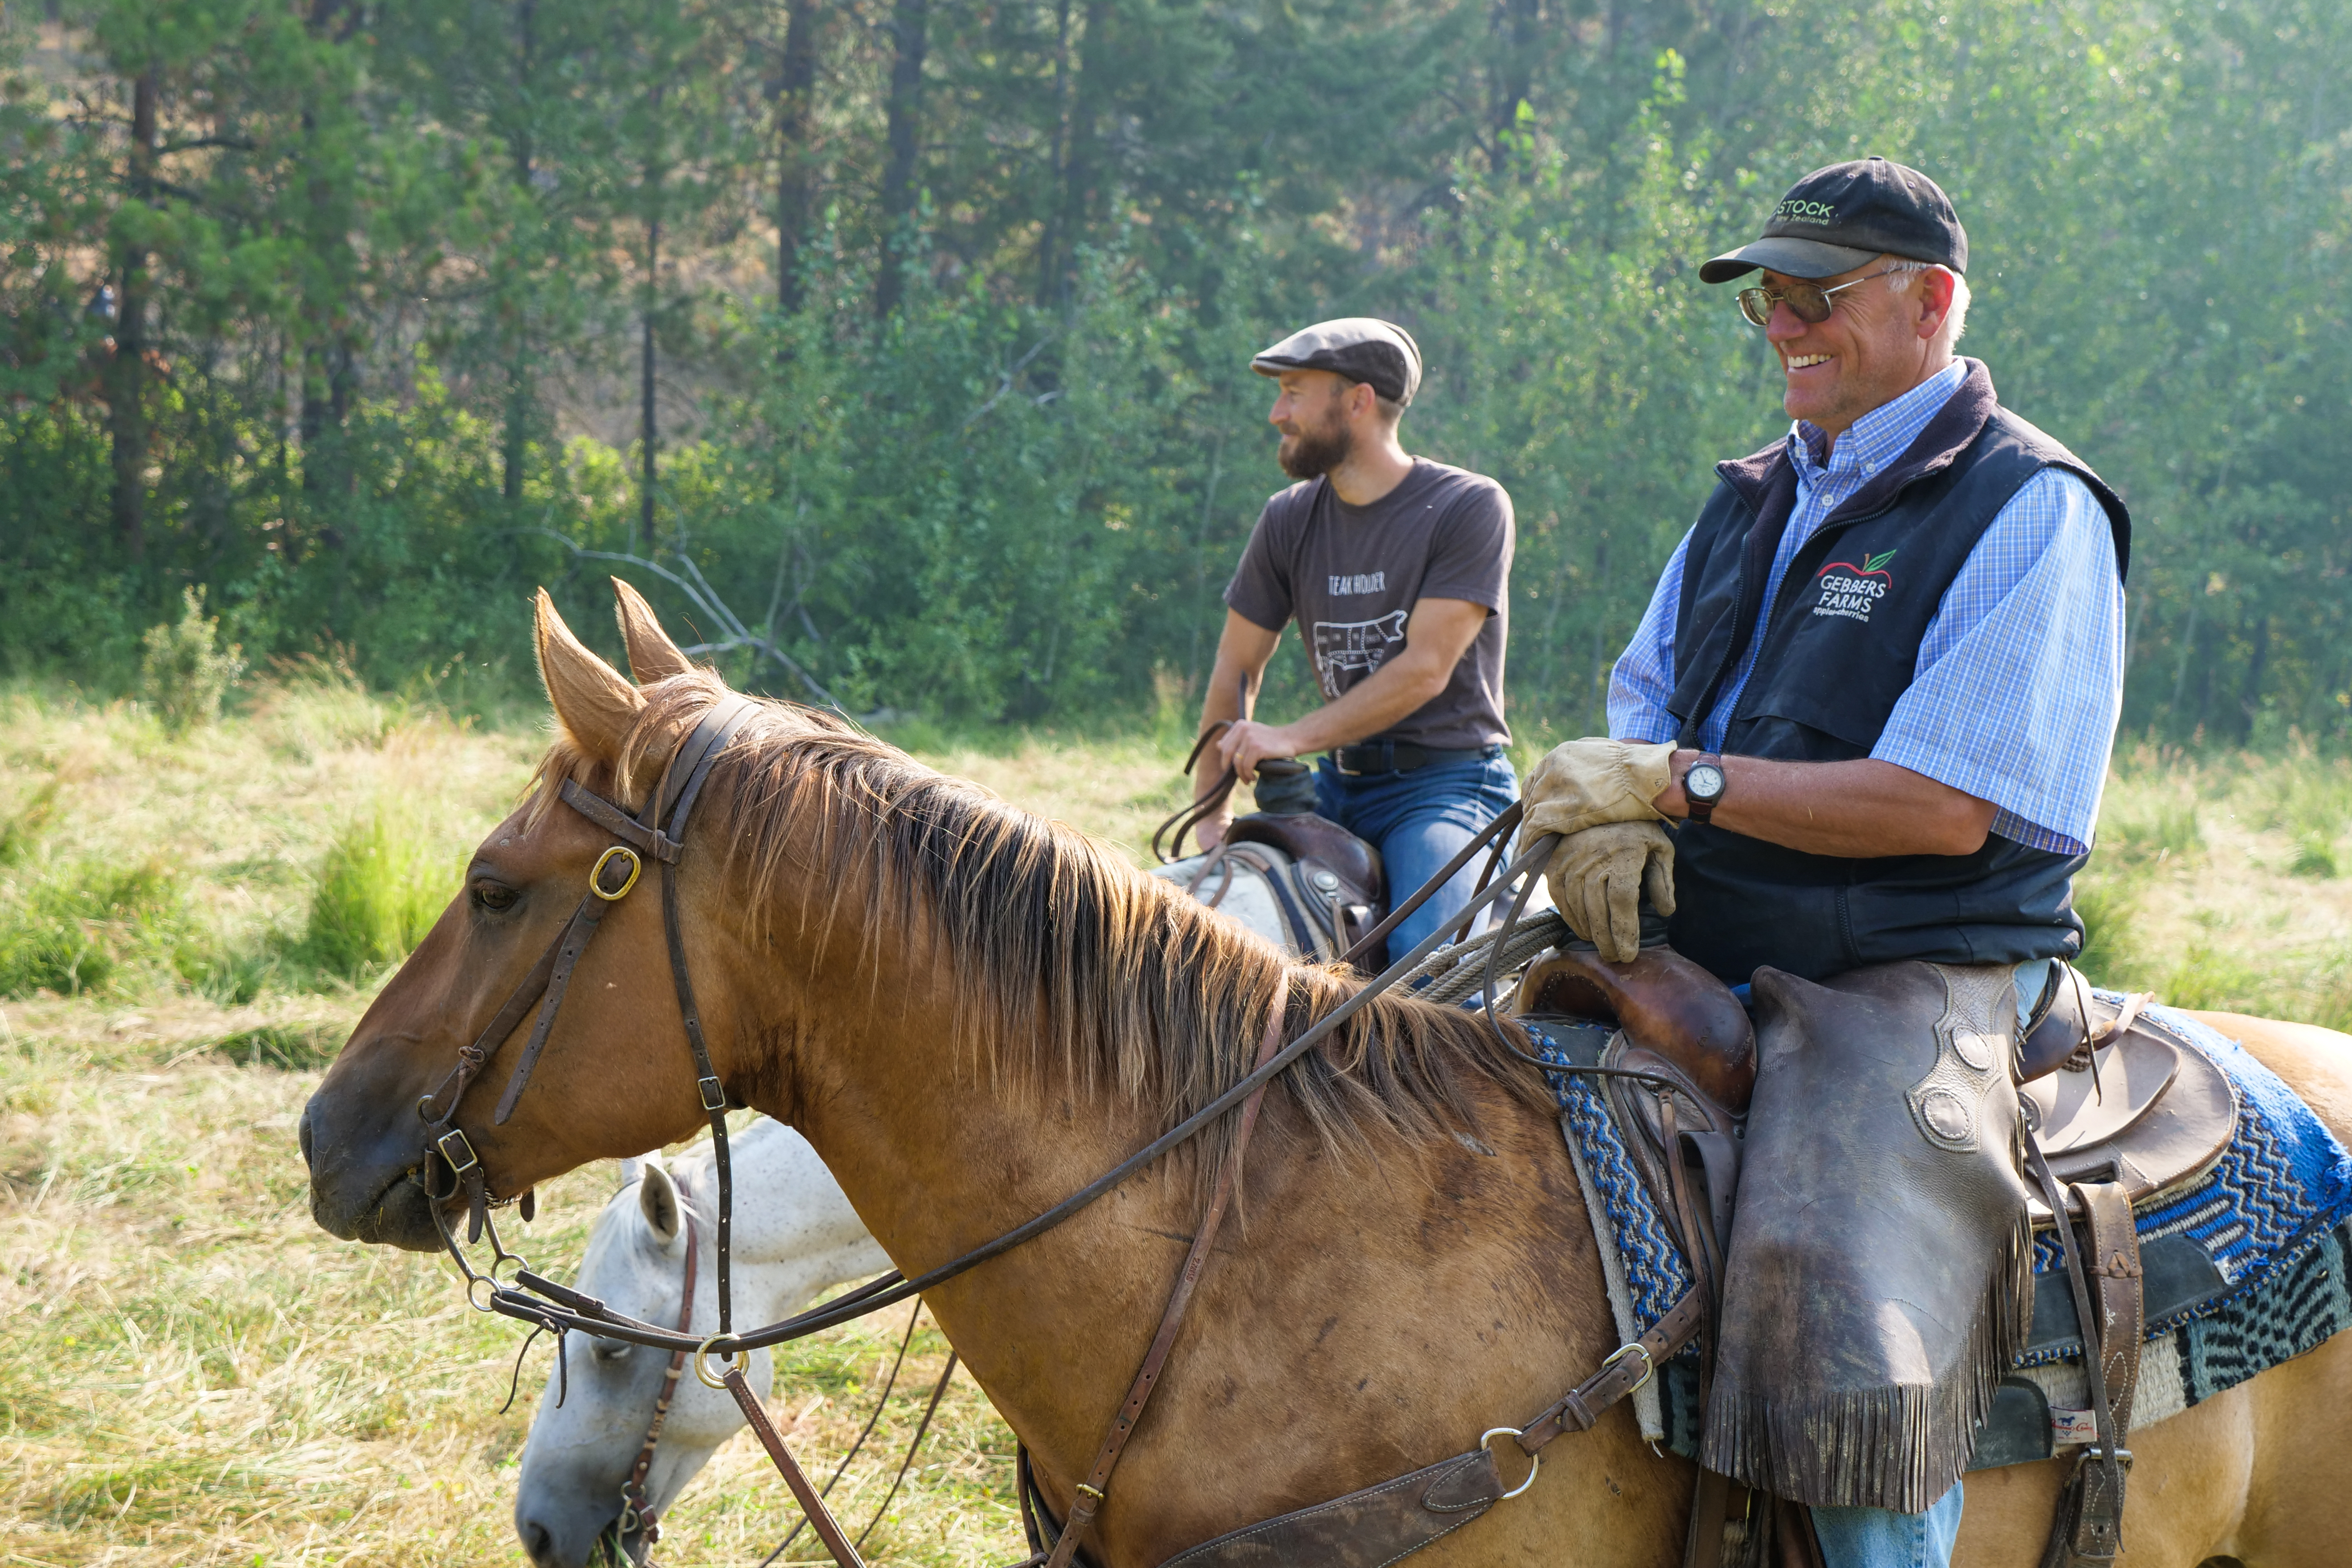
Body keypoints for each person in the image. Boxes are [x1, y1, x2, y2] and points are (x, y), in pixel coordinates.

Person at [1523, 158, 2129, 1568]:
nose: (1785, 324)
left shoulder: (2028, 505)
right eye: (1766, 300)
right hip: (1715, 925)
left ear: (1933, 302)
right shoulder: (1746, 499)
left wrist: (1679, 784)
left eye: (1819, 295)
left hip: (1913, 968)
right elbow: (1648, 694)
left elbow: (1940, 810)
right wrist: (1621, 809)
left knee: (1841, 1314)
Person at [1193, 317, 1518, 963]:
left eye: (1293, 392)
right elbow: (1237, 668)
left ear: (1359, 401)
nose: (1275, 413)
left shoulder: (1469, 507)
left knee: (1420, 969)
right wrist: (1209, 812)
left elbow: (1425, 669)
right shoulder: (1287, 518)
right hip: (1335, 789)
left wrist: (1287, 738)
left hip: (1447, 787)